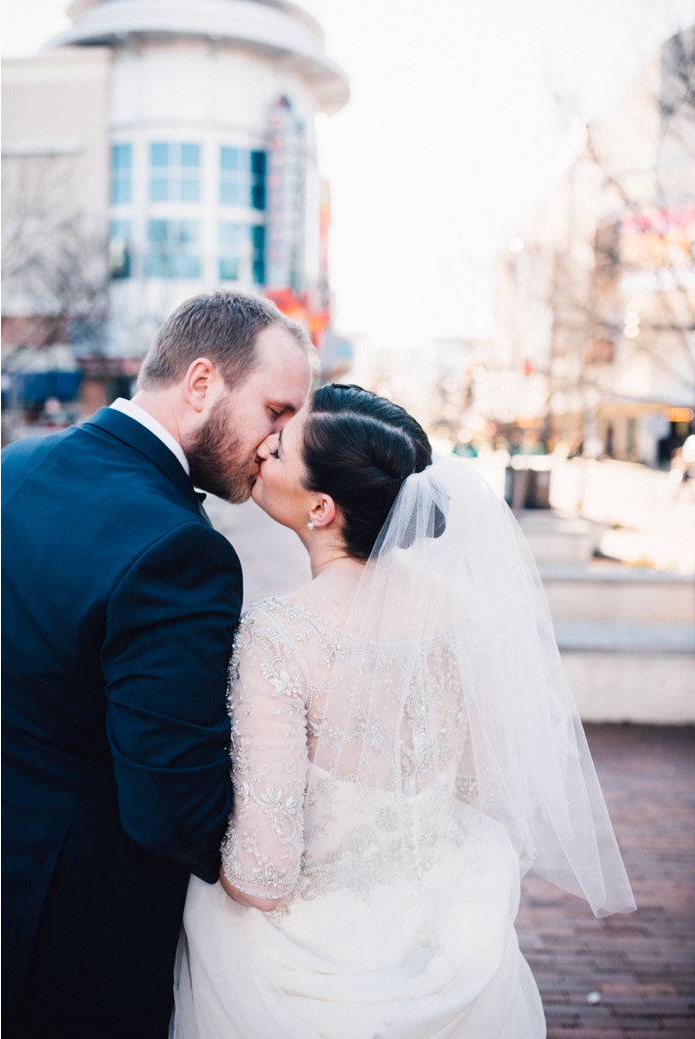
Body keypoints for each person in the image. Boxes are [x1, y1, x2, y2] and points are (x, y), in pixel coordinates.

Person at [173, 385, 635, 1037]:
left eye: (280, 448)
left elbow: (265, 873)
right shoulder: (456, 614)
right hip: (445, 937)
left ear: (322, 507)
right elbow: (484, 787)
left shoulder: (277, 636)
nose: (263, 448)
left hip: (306, 973)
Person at [2, 291, 315, 1036]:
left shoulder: (20, 464)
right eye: (276, 411)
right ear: (201, 384)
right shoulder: (180, 551)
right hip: (85, 939)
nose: (278, 443)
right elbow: (172, 803)